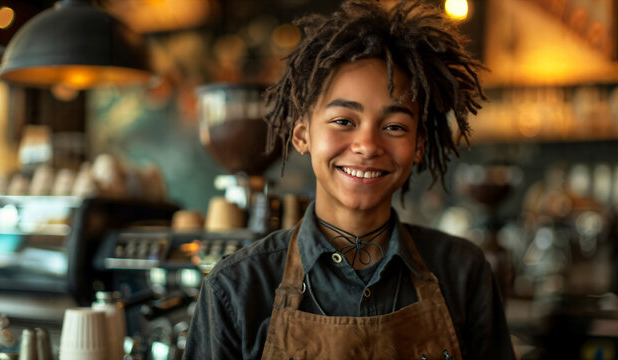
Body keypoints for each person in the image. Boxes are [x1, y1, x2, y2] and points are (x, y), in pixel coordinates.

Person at [184, 0, 516, 359]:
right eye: (344, 121)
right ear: (302, 135)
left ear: (418, 146)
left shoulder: (463, 273)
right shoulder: (236, 288)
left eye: (394, 127)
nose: (368, 146)